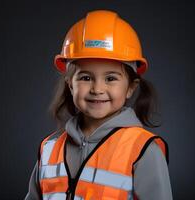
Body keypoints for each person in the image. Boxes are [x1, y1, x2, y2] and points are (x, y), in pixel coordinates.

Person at [25, 10, 173, 200]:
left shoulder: (142, 150)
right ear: (70, 84)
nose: (97, 88)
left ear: (130, 88)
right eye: (86, 77)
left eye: (110, 78)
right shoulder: (49, 149)